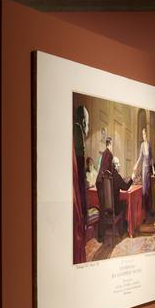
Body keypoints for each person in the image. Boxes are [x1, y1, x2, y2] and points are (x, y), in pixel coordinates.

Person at [96, 135, 130, 243]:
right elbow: (109, 172)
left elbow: (102, 169)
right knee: (105, 207)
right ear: (109, 144)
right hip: (103, 182)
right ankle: (118, 231)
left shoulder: (103, 154)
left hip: (99, 182)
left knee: (102, 209)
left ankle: (101, 236)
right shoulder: (109, 154)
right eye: (112, 145)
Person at [72, 105, 89, 263]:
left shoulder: (77, 129)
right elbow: (78, 161)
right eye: (87, 121)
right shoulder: (77, 129)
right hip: (78, 179)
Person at [132, 125, 155, 219]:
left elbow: (152, 158)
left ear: (147, 134)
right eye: (142, 134)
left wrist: (153, 168)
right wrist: (136, 165)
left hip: (149, 169)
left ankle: (150, 210)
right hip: (144, 169)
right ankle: (144, 211)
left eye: (144, 134)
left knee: (149, 189)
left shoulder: (149, 144)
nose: (143, 136)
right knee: (144, 189)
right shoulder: (142, 145)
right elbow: (140, 157)